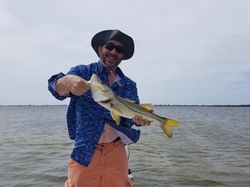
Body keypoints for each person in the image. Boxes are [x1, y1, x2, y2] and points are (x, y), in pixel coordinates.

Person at [48, 29, 150, 187]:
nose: (113, 52)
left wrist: (140, 120)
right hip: (85, 149)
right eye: (109, 46)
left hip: (116, 151)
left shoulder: (129, 85)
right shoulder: (83, 72)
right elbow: (56, 88)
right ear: (99, 49)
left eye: (119, 50)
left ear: (122, 56)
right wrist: (68, 81)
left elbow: (130, 118)